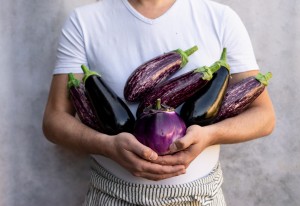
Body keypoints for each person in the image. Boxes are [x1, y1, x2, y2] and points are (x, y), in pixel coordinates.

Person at [42, 0, 276, 205]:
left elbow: (263, 117)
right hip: (112, 196)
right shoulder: (84, 21)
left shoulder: (221, 18)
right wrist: (107, 146)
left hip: (199, 198)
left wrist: (210, 135)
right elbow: (54, 121)